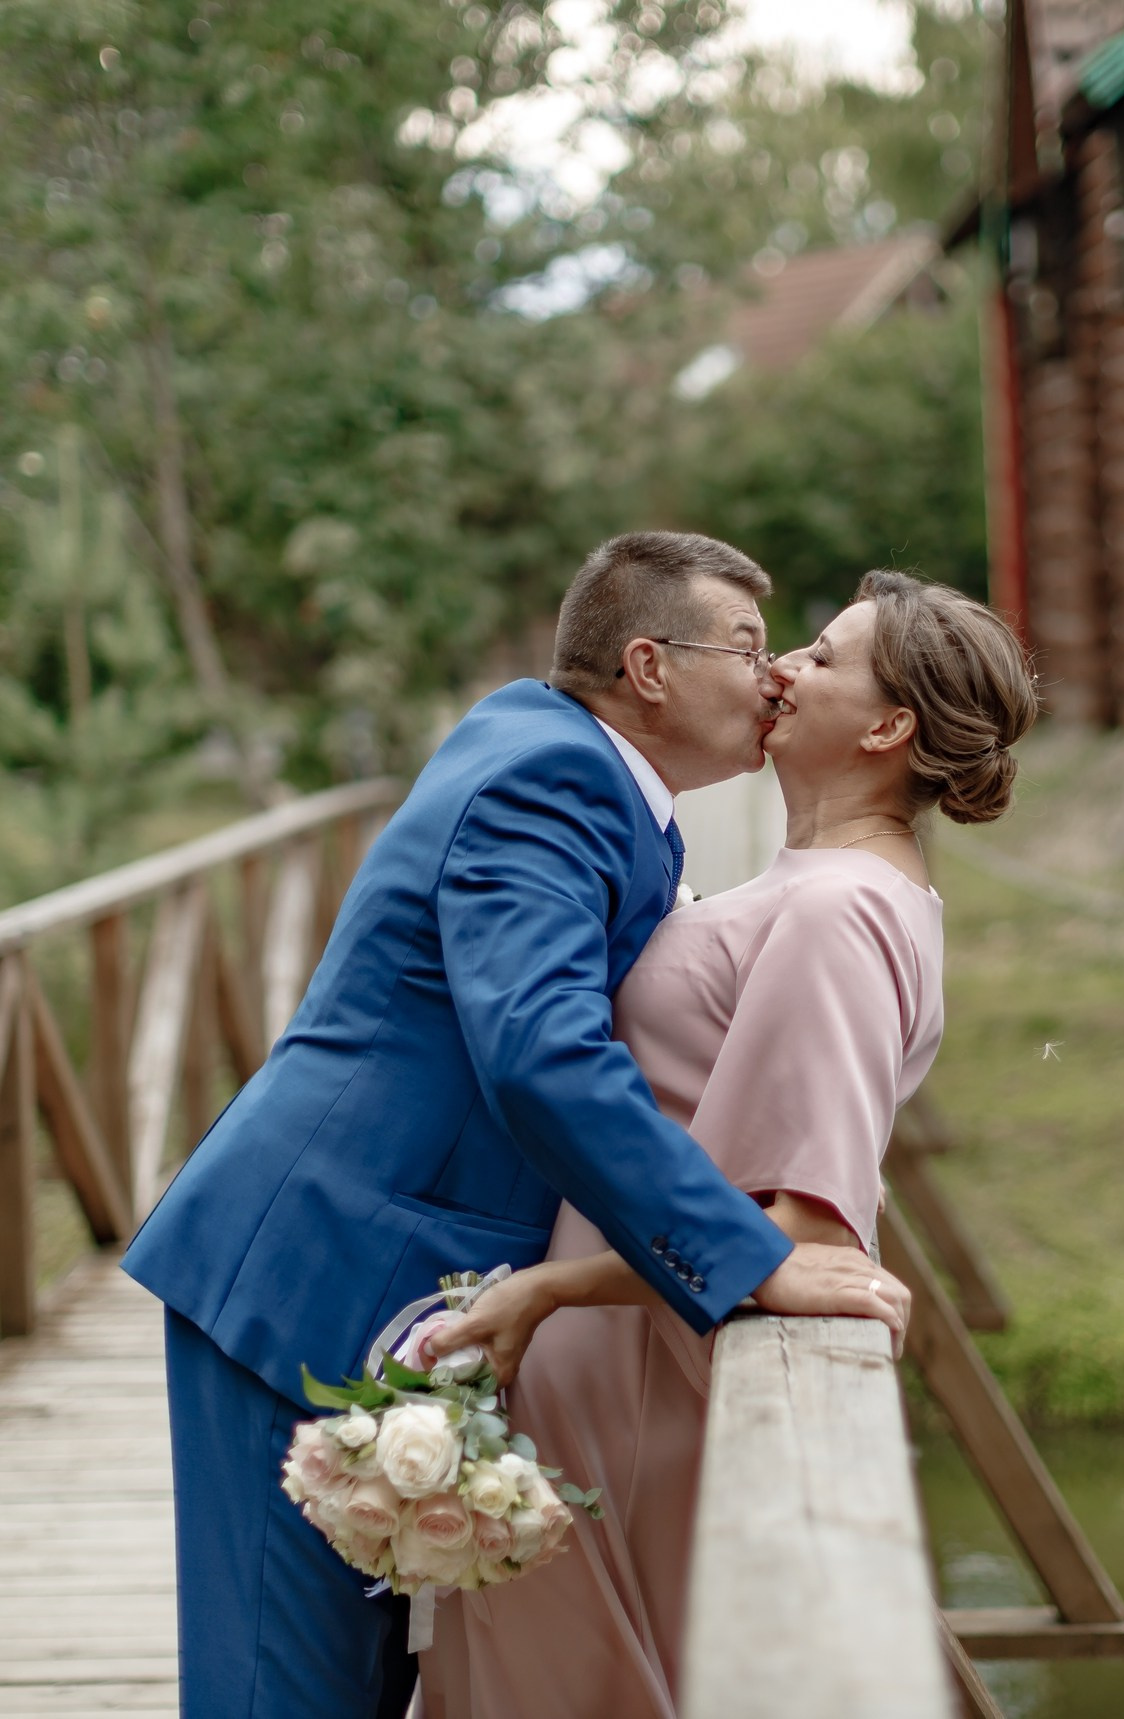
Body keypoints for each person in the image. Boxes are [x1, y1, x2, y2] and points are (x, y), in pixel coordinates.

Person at [121, 533, 915, 1719]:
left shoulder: (589, 776)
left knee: (357, 1685)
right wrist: (749, 1258)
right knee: (279, 1697)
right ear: (649, 667)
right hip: (311, 1275)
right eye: (747, 648)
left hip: (398, 1280)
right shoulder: (548, 778)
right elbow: (544, 1056)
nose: (773, 679)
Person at [413, 569, 1038, 1717]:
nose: (783, 670)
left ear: (890, 727)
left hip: (637, 1381)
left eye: (823, 657)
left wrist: (548, 1291)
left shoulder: (837, 912)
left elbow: (797, 1229)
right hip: (621, 1356)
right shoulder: (818, 887)